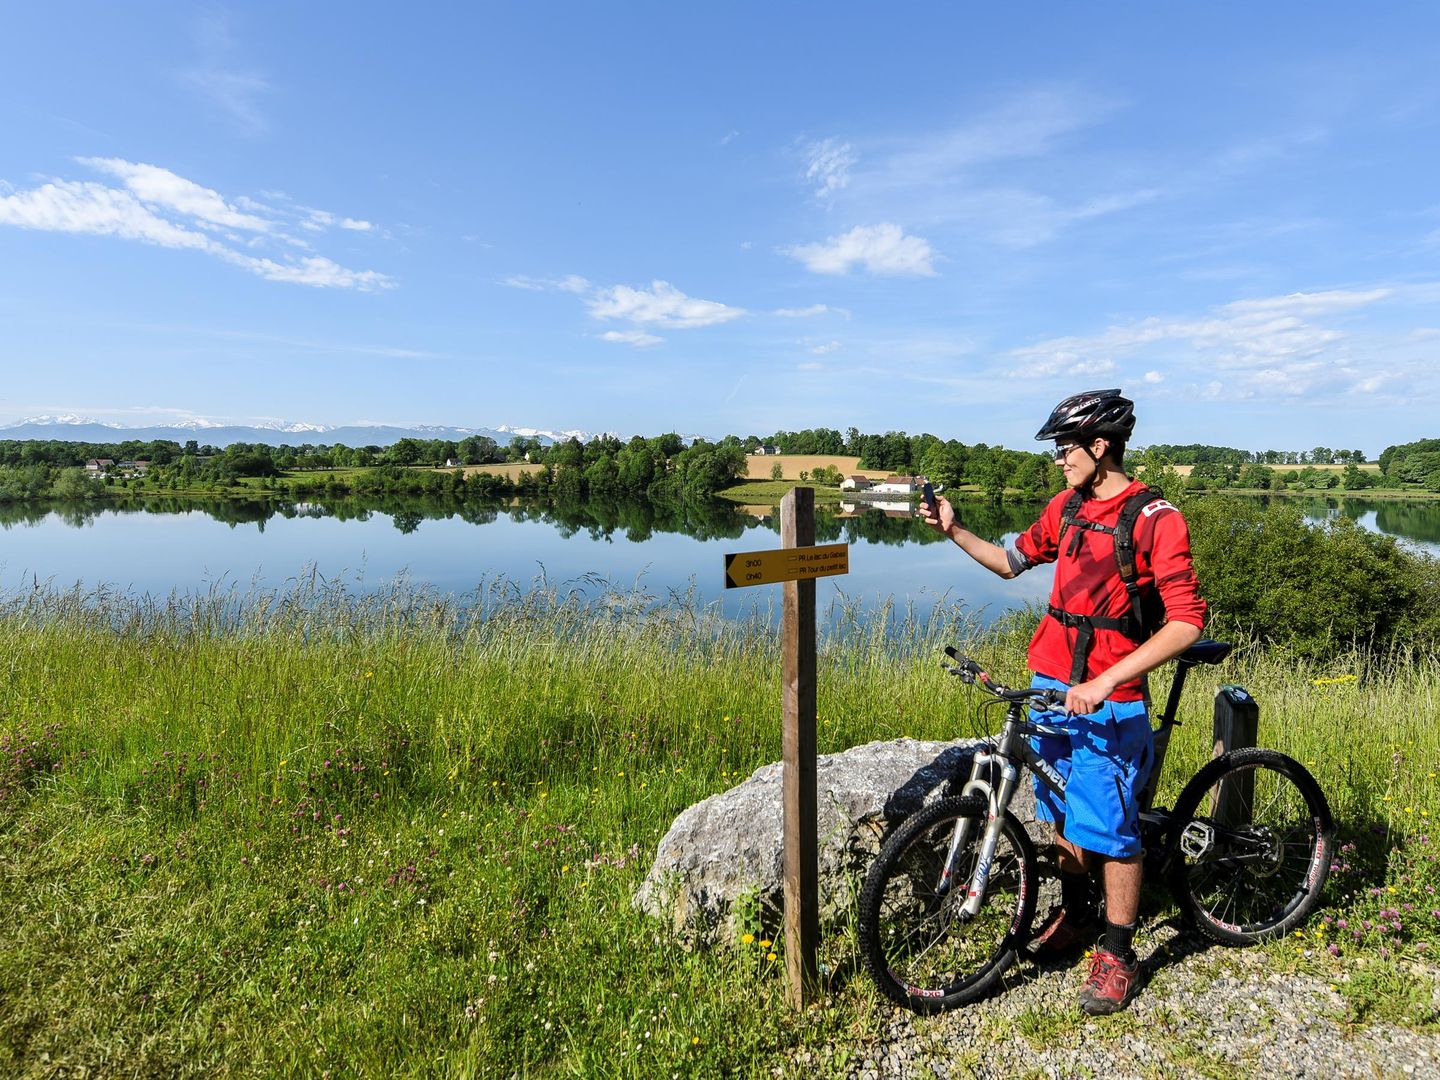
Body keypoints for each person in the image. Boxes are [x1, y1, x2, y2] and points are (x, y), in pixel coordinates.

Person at [918, 388, 1206, 1015]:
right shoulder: (1067, 507)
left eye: (1064, 448)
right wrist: (954, 529)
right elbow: (1009, 562)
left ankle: (1119, 952)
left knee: (1113, 827)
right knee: (1062, 809)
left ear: (1100, 447)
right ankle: (1076, 917)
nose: (1058, 459)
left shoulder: (1157, 518)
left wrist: (1106, 681)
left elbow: (1185, 622)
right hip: (1050, 685)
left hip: (1110, 694)